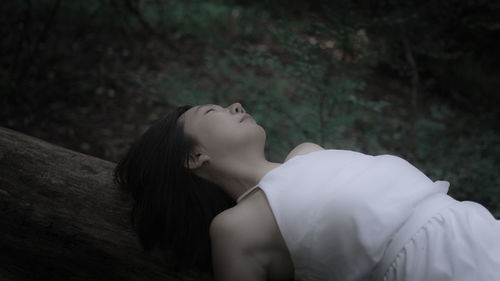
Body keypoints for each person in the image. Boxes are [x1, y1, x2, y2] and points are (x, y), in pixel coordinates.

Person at [114, 102, 500, 281]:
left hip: (477, 227)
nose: (235, 104)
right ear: (195, 156)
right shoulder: (235, 228)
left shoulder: (307, 153)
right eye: (213, 111)